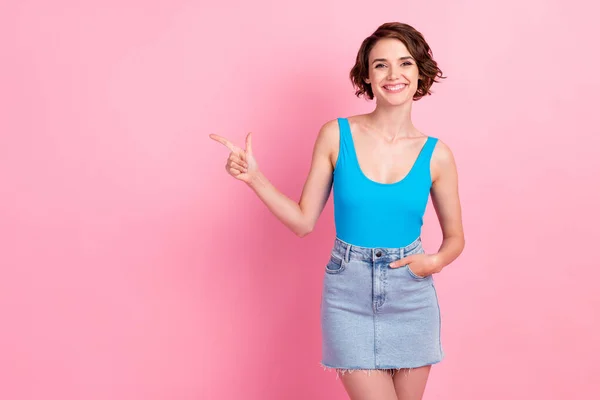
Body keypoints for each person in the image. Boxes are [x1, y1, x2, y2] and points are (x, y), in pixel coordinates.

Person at [210, 22, 465, 400]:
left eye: (404, 63)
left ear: (420, 73)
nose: (393, 74)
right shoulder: (336, 135)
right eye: (380, 65)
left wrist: (434, 262)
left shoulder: (438, 155)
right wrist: (255, 178)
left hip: (411, 293)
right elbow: (303, 222)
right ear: (367, 74)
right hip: (349, 290)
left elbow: (455, 239)